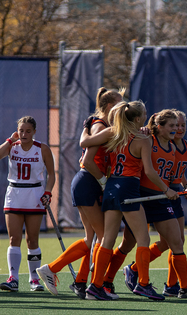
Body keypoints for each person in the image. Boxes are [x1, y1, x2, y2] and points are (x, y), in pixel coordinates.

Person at [78, 100, 178, 301]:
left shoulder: (113, 132)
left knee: (107, 239)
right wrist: (167, 190)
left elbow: (84, 143)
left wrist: (86, 127)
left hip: (111, 187)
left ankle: (95, 287)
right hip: (128, 189)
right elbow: (149, 172)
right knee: (144, 238)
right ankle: (143, 284)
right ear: (139, 118)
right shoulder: (143, 139)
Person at [37, 87, 123, 299]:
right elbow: (87, 160)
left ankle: (73, 278)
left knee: (92, 237)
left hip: (88, 182)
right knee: (103, 237)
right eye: (120, 103)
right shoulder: (100, 125)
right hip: (88, 182)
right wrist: (103, 181)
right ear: (110, 106)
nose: (123, 107)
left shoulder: (100, 124)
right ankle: (94, 284)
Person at [122, 109, 187, 298]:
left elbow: (176, 173)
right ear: (161, 126)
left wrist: (185, 186)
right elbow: (149, 169)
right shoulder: (151, 139)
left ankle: (176, 286)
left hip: (167, 195)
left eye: (181, 125)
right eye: (174, 125)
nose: (178, 129)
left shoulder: (180, 146)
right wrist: (145, 130)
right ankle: (107, 280)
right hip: (147, 195)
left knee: (176, 242)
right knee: (128, 243)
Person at [0, 116, 55, 292]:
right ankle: (13, 278)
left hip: (35, 194)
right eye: (21, 130)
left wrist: (48, 192)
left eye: (28, 131)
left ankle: (34, 279)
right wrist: (9, 140)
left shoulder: (42, 148)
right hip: (14, 193)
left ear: (34, 131)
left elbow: (51, 174)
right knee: (14, 239)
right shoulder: (12, 146)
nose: (24, 134)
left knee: (32, 240)